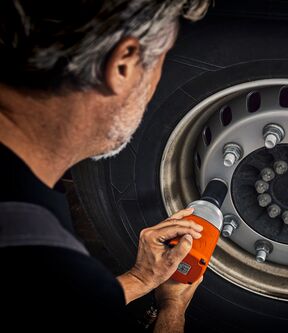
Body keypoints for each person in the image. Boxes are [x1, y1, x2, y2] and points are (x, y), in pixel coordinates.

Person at [0, 1, 210, 332]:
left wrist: (141, 278)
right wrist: (173, 309)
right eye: (159, 63)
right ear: (122, 65)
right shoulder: (48, 265)